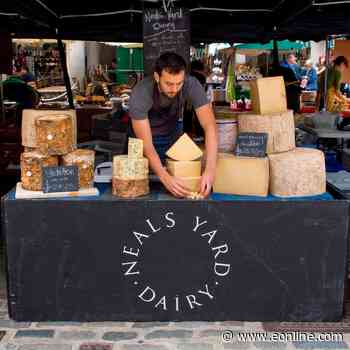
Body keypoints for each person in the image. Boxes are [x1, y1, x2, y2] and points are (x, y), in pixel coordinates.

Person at [129, 52, 218, 199]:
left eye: (179, 83)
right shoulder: (141, 93)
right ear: (157, 77)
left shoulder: (191, 84)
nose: (175, 89)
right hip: (144, 143)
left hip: (171, 136)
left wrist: (210, 170)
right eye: (169, 84)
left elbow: (210, 126)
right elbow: (147, 145)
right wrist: (165, 178)